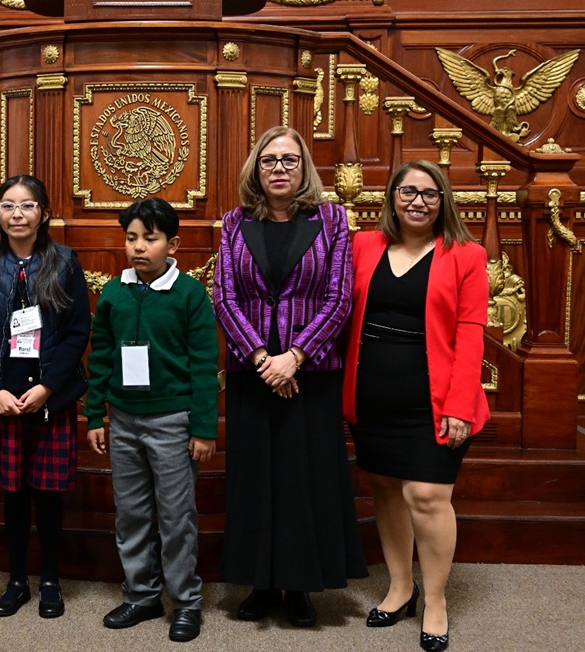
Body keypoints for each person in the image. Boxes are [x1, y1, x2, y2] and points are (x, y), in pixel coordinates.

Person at [213, 125, 367, 628]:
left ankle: (299, 586)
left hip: (312, 371)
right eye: (269, 161)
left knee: (305, 480)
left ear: (304, 169)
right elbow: (225, 297)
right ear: (256, 169)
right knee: (256, 479)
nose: (279, 169)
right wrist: (263, 359)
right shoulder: (233, 223)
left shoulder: (331, 220)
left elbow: (339, 297)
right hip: (252, 371)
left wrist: (294, 357)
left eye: (289, 160)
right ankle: (259, 583)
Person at [343, 160, 489, 652]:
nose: (418, 201)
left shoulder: (466, 254)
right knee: (385, 489)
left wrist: (461, 405)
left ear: (443, 200)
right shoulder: (363, 244)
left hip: (435, 401)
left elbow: (470, 333)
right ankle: (401, 587)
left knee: (427, 495)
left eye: (430, 193)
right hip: (371, 397)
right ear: (392, 197)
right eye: (408, 191)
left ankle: (436, 600)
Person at [85, 197, 218, 643]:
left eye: (150, 238)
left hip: (173, 422)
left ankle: (185, 602)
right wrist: (94, 415)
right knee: (132, 513)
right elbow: (100, 355)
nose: (138, 247)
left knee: (176, 515)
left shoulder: (190, 293)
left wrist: (203, 427)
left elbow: (203, 363)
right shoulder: (114, 292)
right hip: (122, 420)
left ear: (172, 243)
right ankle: (141, 595)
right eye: (131, 238)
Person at [0, 175, 90, 619]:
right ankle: (16, 580)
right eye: (8, 206)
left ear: (44, 213)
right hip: (3, 397)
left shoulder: (65, 261)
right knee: (14, 494)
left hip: (48, 397)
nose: (18, 214)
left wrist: (48, 386)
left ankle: (50, 578)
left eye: (28, 206)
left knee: (48, 493)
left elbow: (77, 333)